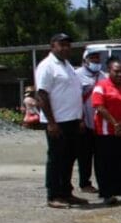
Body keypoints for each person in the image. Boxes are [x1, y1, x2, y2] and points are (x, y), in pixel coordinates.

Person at [34, 33, 88, 208]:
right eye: (61, 45)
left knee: (69, 158)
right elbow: (41, 94)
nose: (65, 48)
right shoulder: (47, 66)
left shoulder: (68, 66)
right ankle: (54, 195)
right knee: (57, 159)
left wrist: (79, 118)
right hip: (58, 122)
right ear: (52, 46)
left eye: (68, 45)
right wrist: (51, 122)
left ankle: (66, 192)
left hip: (72, 120)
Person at [91, 58, 121, 205]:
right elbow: (99, 106)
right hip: (106, 133)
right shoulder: (101, 86)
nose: (120, 74)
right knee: (106, 164)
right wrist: (115, 123)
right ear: (109, 71)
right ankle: (107, 194)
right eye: (116, 71)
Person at [75, 50, 105, 194]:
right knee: (85, 155)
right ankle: (84, 183)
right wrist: (79, 119)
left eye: (97, 58)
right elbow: (75, 99)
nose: (96, 61)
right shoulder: (77, 75)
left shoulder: (103, 76)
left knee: (101, 155)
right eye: (92, 58)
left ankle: (103, 183)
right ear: (85, 60)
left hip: (100, 123)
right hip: (84, 121)